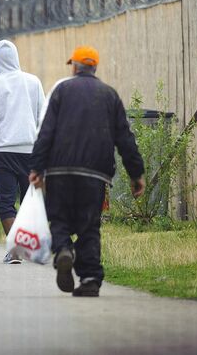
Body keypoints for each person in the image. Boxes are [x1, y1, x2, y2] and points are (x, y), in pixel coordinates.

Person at [29, 46, 146, 296]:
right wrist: (136, 173)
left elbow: (46, 132)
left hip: (59, 171)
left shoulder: (62, 90)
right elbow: (125, 138)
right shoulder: (109, 95)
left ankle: (63, 250)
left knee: (59, 219)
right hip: (95, 175)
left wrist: (37, 167)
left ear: (74, 67)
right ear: (95, 67)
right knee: (89, 226)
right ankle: (90, 279)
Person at [0, 40, 47, 263]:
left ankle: (16, 250)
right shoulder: (34, 82)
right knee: (30, 203)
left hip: (3, 151)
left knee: (6, 204)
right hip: (31, 151)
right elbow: (42, 118)